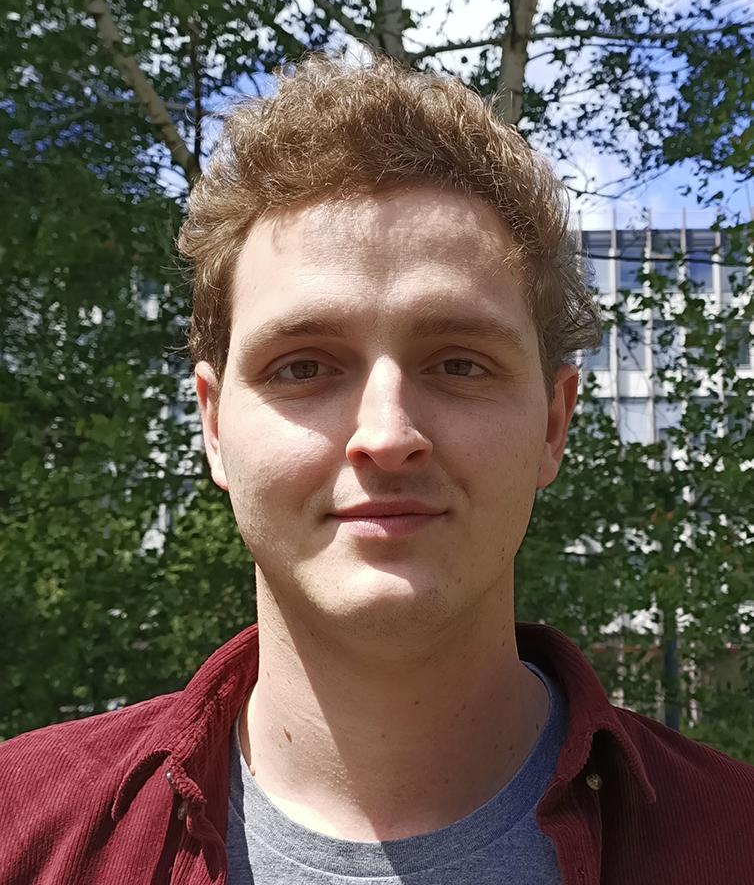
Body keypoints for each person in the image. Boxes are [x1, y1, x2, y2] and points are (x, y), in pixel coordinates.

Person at [1, 56, 753, 885]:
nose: (387, 436)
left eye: (459, 364)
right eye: (303, 367)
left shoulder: (734, 841)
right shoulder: (20, 834)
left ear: (552, 423)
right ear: (214, 426)